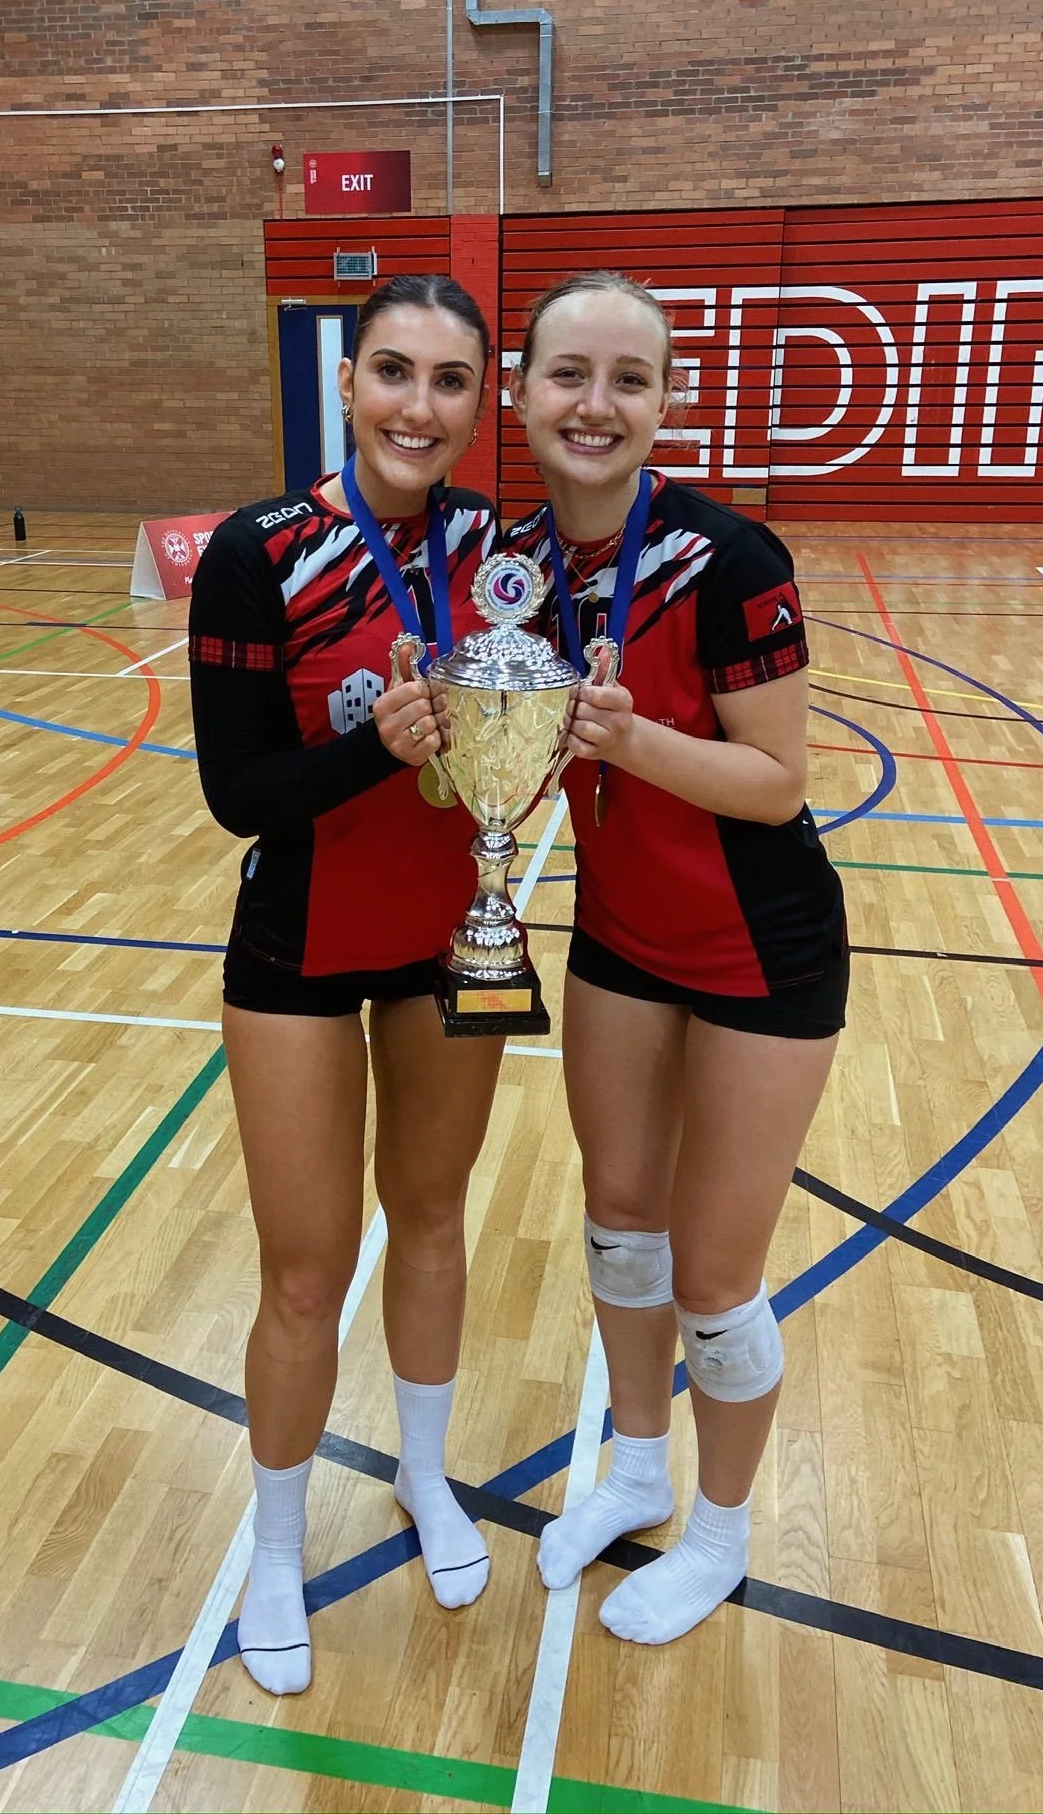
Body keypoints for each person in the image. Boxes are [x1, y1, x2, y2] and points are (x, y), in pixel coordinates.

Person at [507, 271, 848, 1646]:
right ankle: (637, 1466)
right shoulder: (515, 567)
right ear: (524, 395)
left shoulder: (730, 560)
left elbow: (777, 783)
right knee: (619, 1218)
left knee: (713, 1274)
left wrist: (627, 736)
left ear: (667, 401)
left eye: (629, 379)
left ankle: (718, 1532)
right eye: (569, 374)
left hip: (761, 949)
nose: (596, 404)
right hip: (618, 939)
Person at [188, 273, 503, 1695]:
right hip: (297, 949)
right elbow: (238, 793)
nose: (417, 407)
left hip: (454, 934)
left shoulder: (500, 551)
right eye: (393, 371)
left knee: (430, 1218)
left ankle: (426, 1477)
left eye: (449, 381)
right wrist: (376, 748)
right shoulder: (259, 551)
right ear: (347, 382)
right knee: (305, 1269)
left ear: (478, 404)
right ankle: (274, 1547)